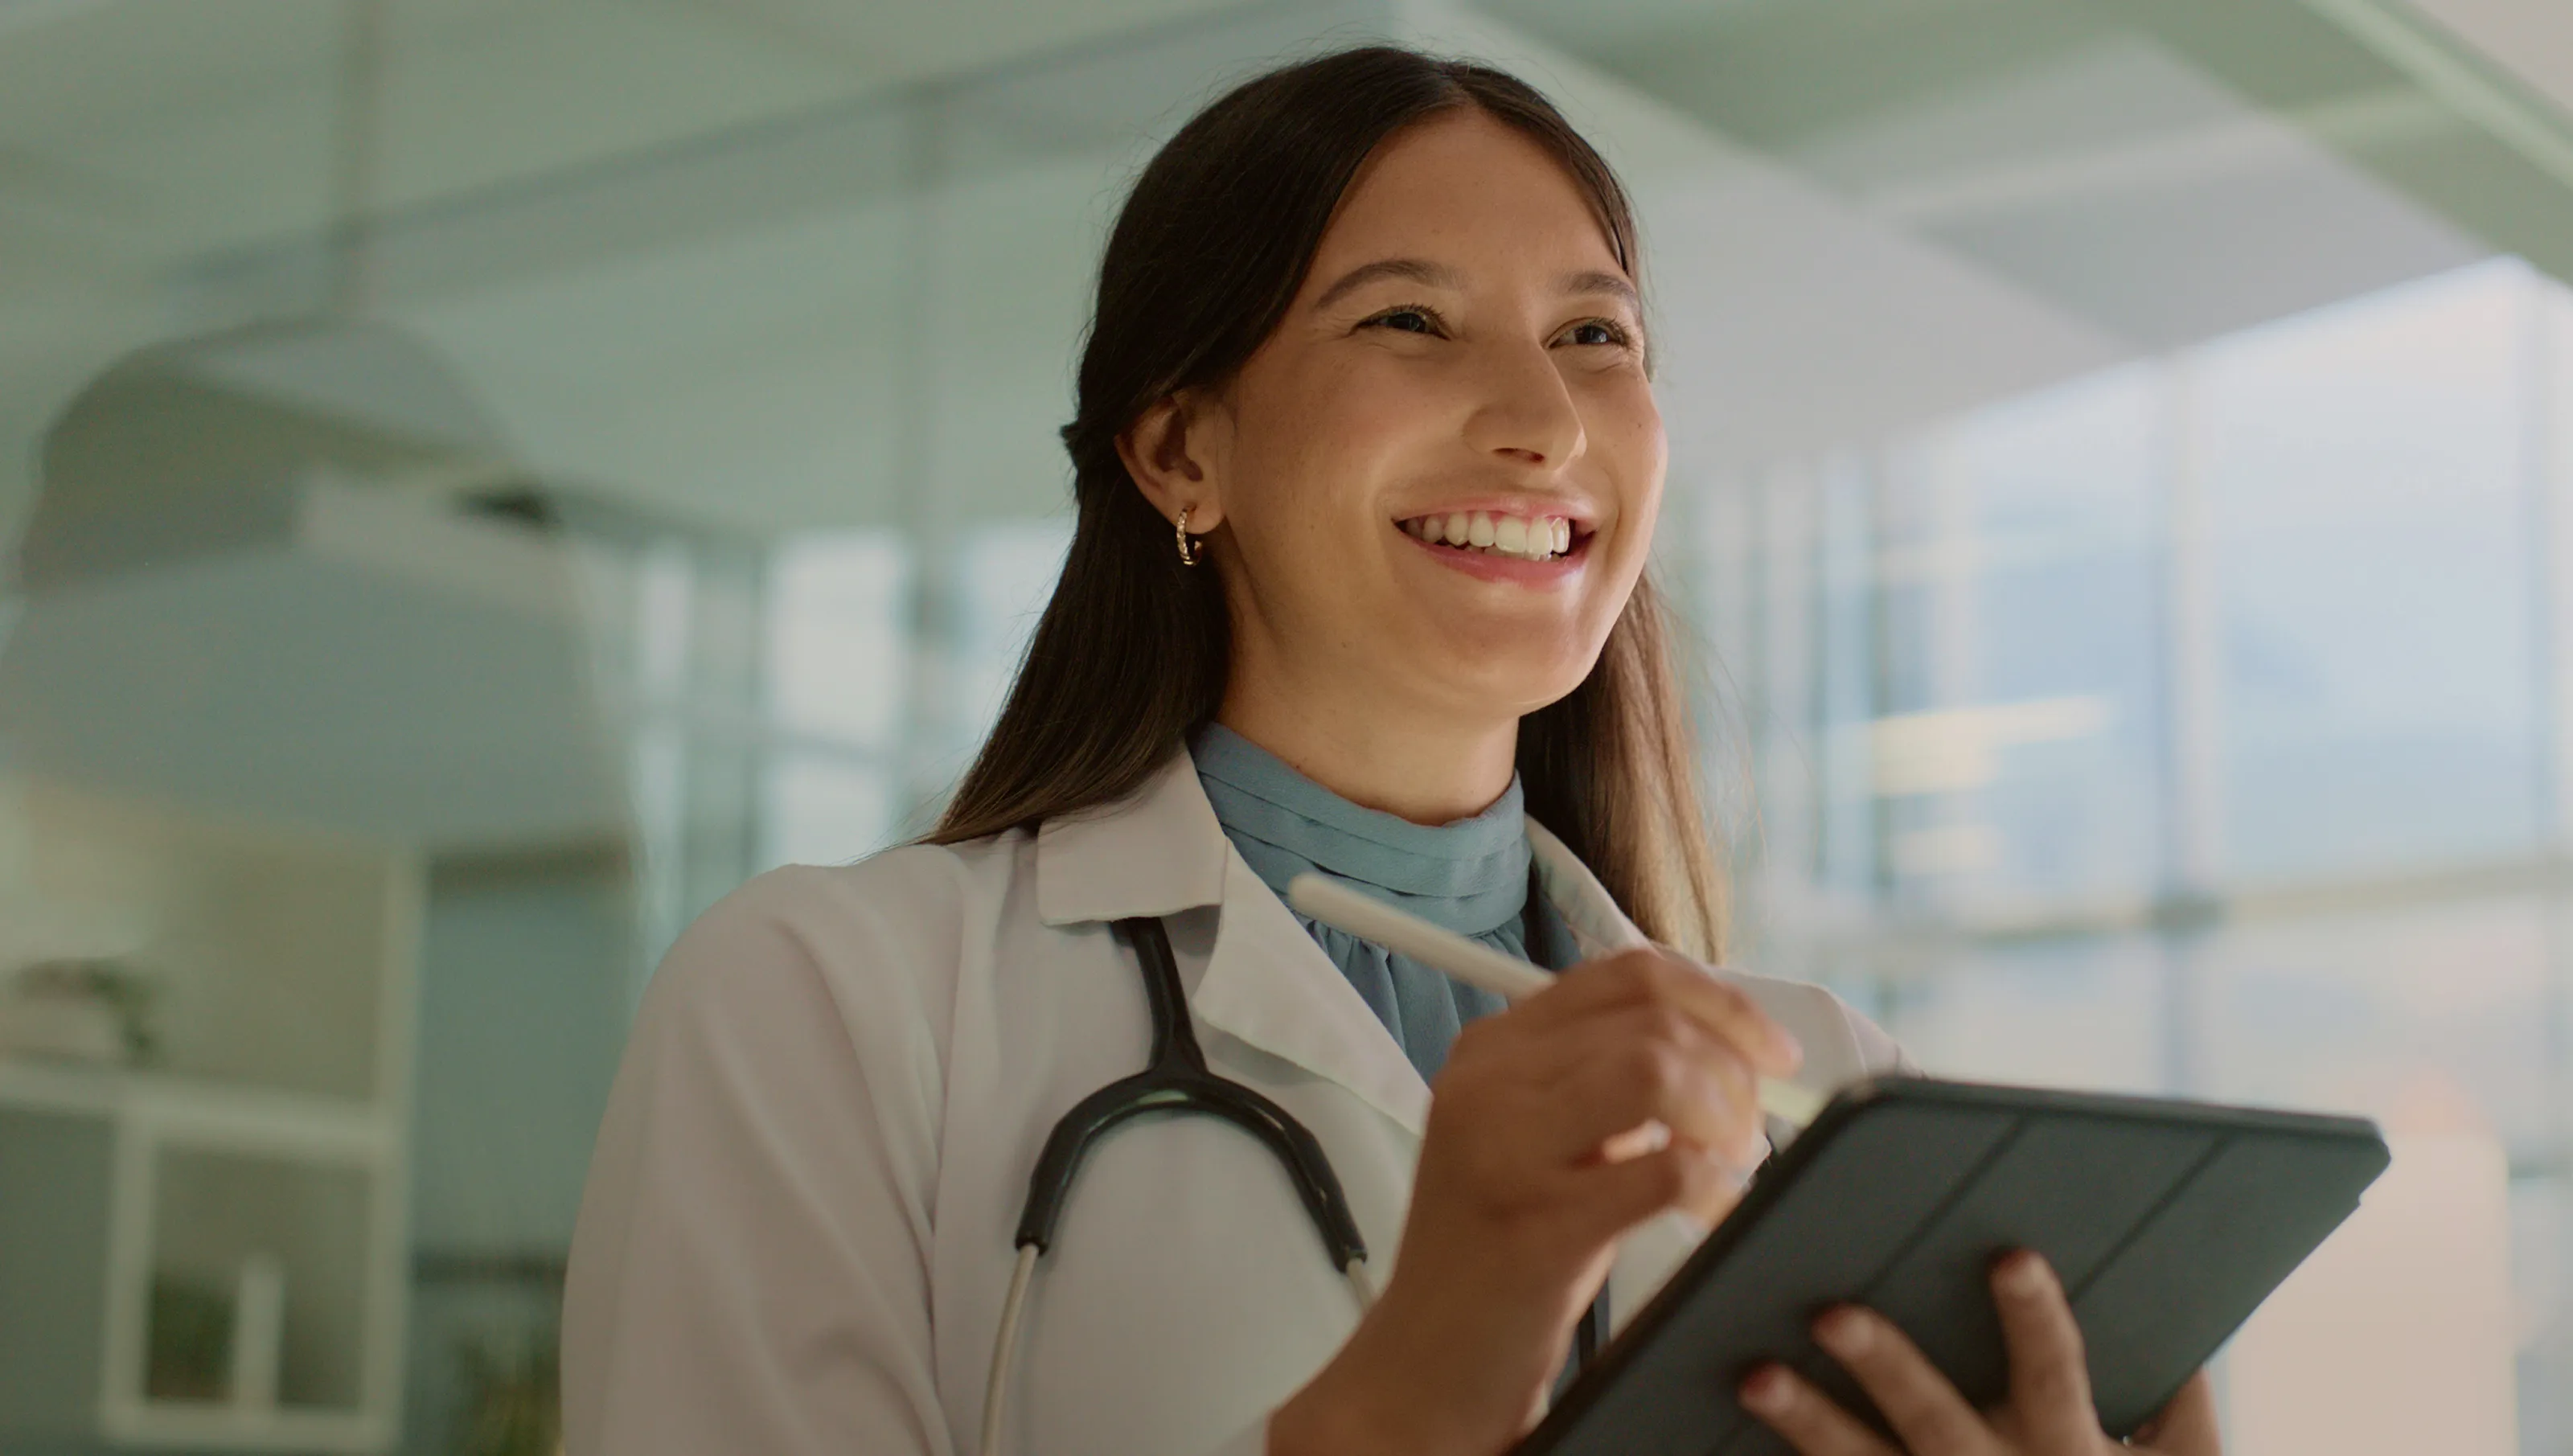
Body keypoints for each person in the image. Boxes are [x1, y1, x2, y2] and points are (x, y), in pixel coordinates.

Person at [559, 45, 2220, 1456]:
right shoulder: (834, 999)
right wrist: (1414, 1378)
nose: (1544, 418)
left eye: (1595, 337)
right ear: (1179, 445)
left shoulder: (1829, 1088)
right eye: (1410, 322)